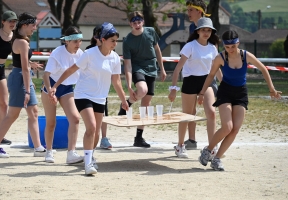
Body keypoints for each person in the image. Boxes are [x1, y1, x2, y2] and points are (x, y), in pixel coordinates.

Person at [49, 22, 129, 175]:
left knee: (96, 132)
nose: (115, 44)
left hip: (100, 97)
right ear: (103, 40)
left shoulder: (114, 59)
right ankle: (87, 164)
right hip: (83, 95)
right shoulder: (90, 54)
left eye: (116, 40)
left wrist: (123, 100)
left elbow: (116, 81)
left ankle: (89, 157)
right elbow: (71, 70)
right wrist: (55, 86)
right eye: (112, 40)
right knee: (91, 127)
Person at [198, 30, 282, 171]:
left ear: (238, 43)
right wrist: (201, 92)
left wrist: (272, 89)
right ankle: (208, 150)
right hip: (225, 92)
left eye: (233, 46)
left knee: (235, 129)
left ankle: (217, 158)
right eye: (227, 47)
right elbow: (210, 75)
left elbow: (263, 69)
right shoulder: (220, 57)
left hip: (241, 93)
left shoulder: (246, 55)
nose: (230, 50)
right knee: (227, 127)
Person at [0, 12, 46, 158]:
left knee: (33, 112)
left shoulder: (16, 38)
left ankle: (38, 147)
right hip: (18, 77)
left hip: (13, 74)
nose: (35, 28)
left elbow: (20, 61)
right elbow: (24, 69)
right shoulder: (20, 41)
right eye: (33, 25)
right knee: (10, 114)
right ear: (25, 25)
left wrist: (30, 64)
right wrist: (27, 91)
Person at [168, 17, 219, 158]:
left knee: (212, 113)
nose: (206, 33)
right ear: (198, 31)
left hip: (206, 81)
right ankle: (180, 146)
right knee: (187, 115)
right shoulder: (190, 46)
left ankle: (211, 147)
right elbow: (178, 69)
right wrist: (173, 88)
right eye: (203, 30)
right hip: (190, 81)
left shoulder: (212, 48)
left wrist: (226, 87)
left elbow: (216, 70)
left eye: (209, 30)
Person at [118, 11, 166, 148]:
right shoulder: (127, 40)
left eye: (139, 21)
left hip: (152, 68)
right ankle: (128, 103)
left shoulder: (150, 31)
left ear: (143, 22)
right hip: (138, 68)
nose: (137, 24)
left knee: (146, 104)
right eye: (134, 22)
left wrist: (162, 69)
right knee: (142, 90)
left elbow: (157, 50)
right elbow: (127, 65)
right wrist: (128, 85)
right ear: (130, 24)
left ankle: (138, 137)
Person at [42, 26, 84, 163]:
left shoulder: (81, 54)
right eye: (75, 41)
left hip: (67, 88)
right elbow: (46, 75)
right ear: (66, 41)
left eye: (80, 41)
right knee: (51, 122)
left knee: (75, 118)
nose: (78, 44)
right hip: (50, 87)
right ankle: (49, 151)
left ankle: (71, 153)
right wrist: (50, 90)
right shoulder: (57, 52)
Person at [184, 0, 222, 150]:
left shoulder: (206, 28)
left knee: (210, 111)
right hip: (192, 78)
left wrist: (223, 81)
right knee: (190, 112)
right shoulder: (192, 28)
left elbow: (215, 57)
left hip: (207, 77)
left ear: (199, 11)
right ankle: (191, 141)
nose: (188, 13)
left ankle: (213, 144)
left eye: (191, 10)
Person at [0, 11, 18, 146]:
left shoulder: (14, 37)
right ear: (3, 22)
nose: (13, 23)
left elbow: (18, 55)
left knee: (4, 104)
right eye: (10, 21)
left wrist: (29, 64)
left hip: (0, 70)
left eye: (14, 21)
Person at [85, 25, 112, 150]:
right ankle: (91, 140)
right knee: (91, 121)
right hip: (89, 90)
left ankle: (104, 137)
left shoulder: (109, 51)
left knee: (103, 114)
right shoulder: (89, 50)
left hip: (102, 90)